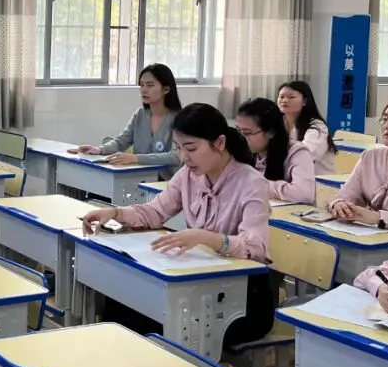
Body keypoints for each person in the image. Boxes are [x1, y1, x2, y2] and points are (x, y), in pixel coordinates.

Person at [81, 103, 275, 347]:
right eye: (178, 148)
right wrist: (115, 212)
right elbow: (155, 212)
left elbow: (255, 248)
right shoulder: (188, 175)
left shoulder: (251, 183)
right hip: (196, 283)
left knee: (147, 318)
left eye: (191, 148)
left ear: (220, 143)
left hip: (242, 298)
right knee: (124, 299)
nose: (184, 157)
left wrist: (206, 238)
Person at [71, 63, 182, 177]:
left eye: (150, 85)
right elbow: (120, 142)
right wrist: (99, 150)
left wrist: (136, 158)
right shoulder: (139, 115)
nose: (144, 90)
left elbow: (176, 156)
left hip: (167, 181)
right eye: (141, 85)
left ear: (166, 89)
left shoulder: (180, 118)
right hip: (138, 177)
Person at [327, 96, 388, 230]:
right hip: (374, 237)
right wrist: (339, 205)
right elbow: (345, 196)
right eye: (385, 119)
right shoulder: (370, 157)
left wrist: (378, 217)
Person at [235, 97, 316, 206]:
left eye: (247, 133)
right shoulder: (241, 151)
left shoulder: (297, 152)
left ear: (271, 132)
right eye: (238, 131)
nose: (240, 138)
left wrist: (257, 185)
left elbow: (304, 194)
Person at [277, 81, 336, 174]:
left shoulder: (317, 126)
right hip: (288, 175)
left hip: (317, 179)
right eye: (281, 97)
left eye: (291, 97)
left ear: (304, 101)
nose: (284, 100)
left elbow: (305, 154)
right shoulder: (277, 122)